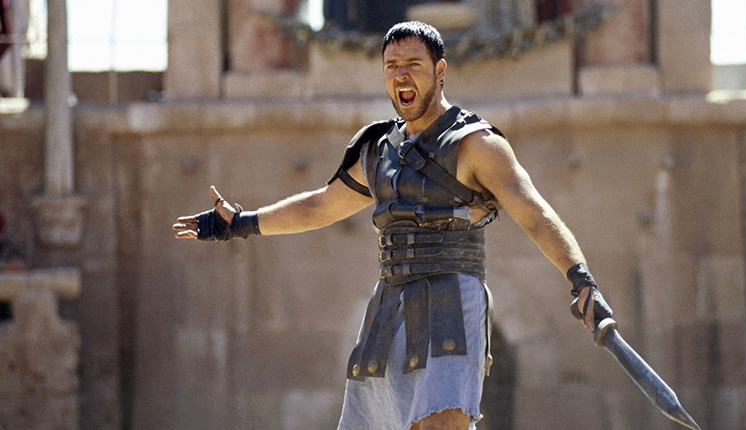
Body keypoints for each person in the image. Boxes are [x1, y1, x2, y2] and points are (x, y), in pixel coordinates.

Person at [173, 21, 612, 430]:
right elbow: (320, 206)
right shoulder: (379, 150)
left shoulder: (478, 145)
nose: (401, 75)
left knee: (441, 424)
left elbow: (534, 214)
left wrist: (581, 279)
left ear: (440, 71)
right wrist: (240, 223)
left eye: (413, 65)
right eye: (391, 66)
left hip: (451, 306)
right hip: (389, 308)